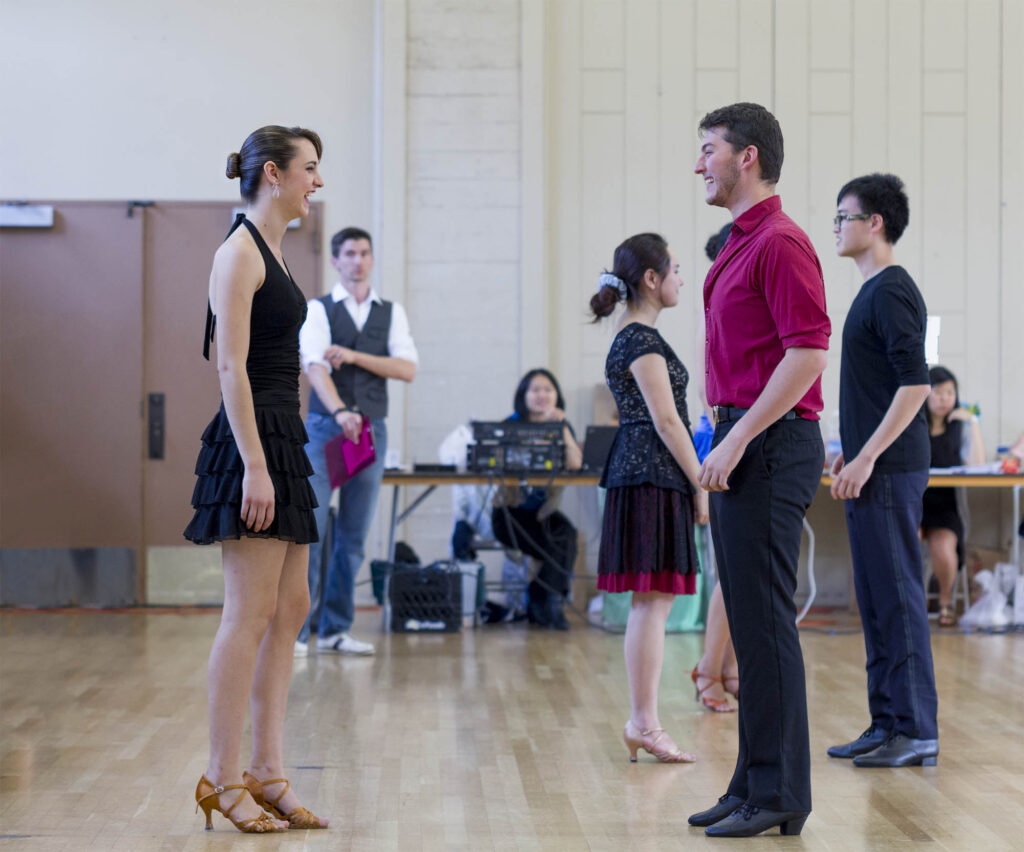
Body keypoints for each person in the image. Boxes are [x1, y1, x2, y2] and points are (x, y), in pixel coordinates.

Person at [688, 103, 829, 838]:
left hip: (770, 446)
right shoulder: (739, 245)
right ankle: (751, 782)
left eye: (707, 148)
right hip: (746, 440)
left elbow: (807, 354)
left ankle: (780, 793)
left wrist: (737, 439)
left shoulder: (780, 242)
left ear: (746, 157)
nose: (698, 162)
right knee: (747, 619)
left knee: (765, 627)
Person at [184, 125, 328, 832]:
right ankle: (221, 772)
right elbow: (228, 366)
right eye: (310, 168)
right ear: (274, 173)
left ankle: (269, 769)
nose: (317, 182)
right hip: (253, 442)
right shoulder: (237, 252)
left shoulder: (274, 248)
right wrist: (256, 465)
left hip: (284, 434)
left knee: (291, 606)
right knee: (248, 614)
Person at [828, 173, 940, 769]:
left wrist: (869, 455)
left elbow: (916, 384)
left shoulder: (891, 288)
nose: (837, 228)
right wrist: (852, 449)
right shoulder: (871, 292)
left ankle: (917, 730)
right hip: (869, 466)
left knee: (897, 597)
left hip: (890, 470)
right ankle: (886, 723)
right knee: (875, 600)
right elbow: (875, 392)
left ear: (875, 223)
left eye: (845, 216)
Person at [590, 233, 709, 766]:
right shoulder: (639, 339)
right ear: (652, 280)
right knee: (652, 603)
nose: (683, 278)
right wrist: (701, 482)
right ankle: (644, 721)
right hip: (650, 475)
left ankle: (644, 720)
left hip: (648, 473)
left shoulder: (637, 336)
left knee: (653, 603)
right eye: (676, 269)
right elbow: (667, 420)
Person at [296, 227, 418, 655]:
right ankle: (297, 632)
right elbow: (314, 367)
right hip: (325, 427)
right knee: (311, 531)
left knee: (353, 536)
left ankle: (335, 629)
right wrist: (340, 412)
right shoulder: (318, 309)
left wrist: (353, 355)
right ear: (336, 260)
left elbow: (407, 369)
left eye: (365, 253)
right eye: (349, 253)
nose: (358, 260)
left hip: (372, 431)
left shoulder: (391, 312)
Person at [689, 225, 740, 714]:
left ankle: (726, 667)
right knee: (729, 574)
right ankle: (709, 668)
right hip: (721, 442)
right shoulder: (718, 312)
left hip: (740, 439)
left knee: (740, 574)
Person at [490, 369, 583, 629]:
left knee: (566, 535)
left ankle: (543, 602)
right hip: (509, 514)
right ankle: (547, 603)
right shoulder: (510, 426)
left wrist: (561, 427)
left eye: (547, 389)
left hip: (542, 513)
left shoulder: (561, 426)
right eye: (535, 389)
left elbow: (575, 463)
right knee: (559, 544)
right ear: (524, 395)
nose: (541, 395)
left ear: (556, 396)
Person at [920, 365, 985, 626]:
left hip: (944, 507)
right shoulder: (915, 424)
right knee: (907, 542)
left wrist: (973, 422)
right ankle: (910, 604)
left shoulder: (960, 428)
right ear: (925, 394)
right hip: (914, 502)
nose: (945, 398)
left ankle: (945, 602)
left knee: (944, 550)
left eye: (950, 392)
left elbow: (977, 466)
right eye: (937, 392)